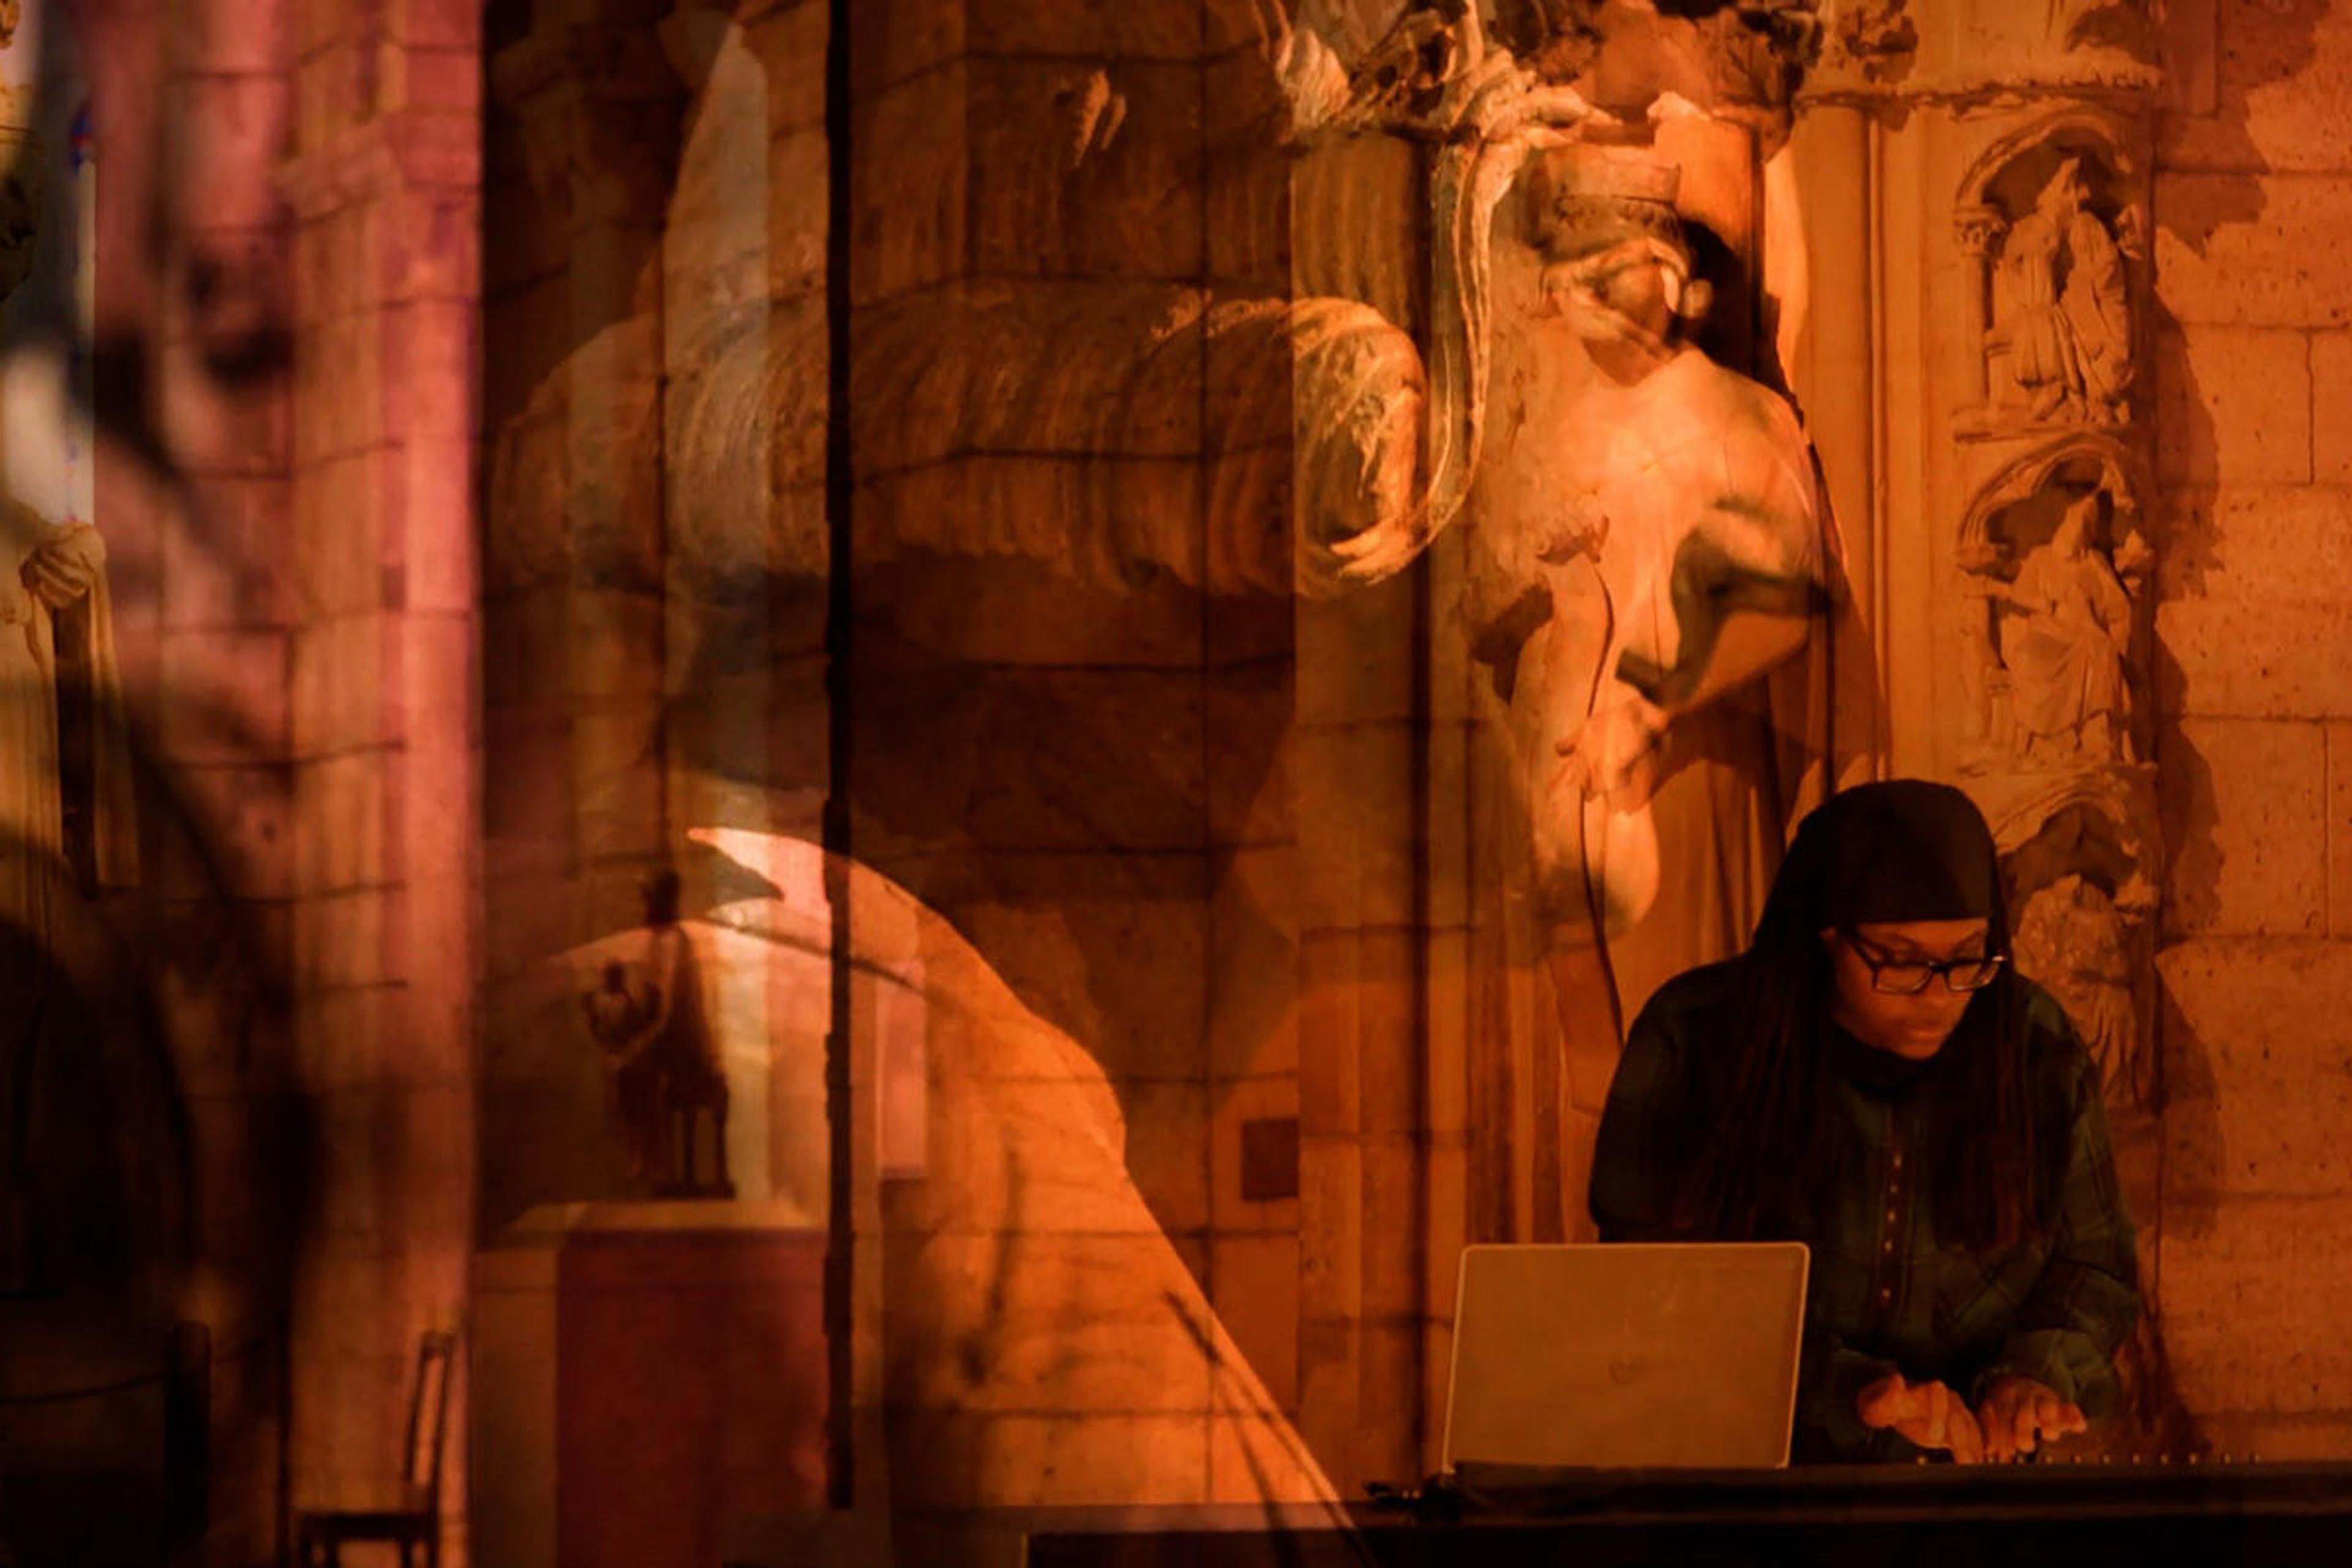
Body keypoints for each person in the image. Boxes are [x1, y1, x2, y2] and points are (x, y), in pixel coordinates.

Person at [1588, 779, 2139, 1463]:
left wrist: (2033, 1373)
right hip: (1744, 1472)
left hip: (1967, 1475)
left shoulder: (2033, 1047)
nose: (1939, 996)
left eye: (1967, 956)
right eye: (1902, 961)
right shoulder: (1698, 1038)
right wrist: (1847, 1390)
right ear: (1827, 937)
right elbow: (1648, 1284)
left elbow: (2096, 1265)